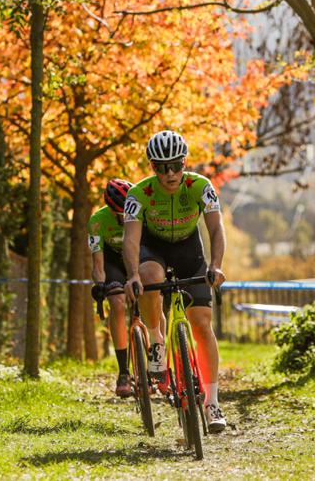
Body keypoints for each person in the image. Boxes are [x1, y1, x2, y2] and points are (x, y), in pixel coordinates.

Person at [123, 130, 228, 433]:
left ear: (184, 162)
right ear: (152, 167)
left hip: (188, 250)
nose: (169, 173)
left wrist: (217, 266)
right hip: (153, 248)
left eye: (175, 165)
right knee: (149, 276)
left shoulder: (200, 186)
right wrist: (131, 275)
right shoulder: (139, 194)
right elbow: (131, 240)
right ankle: (157, 338)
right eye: (160, 167)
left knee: (202, 324)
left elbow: (216, 229)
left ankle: (212, 403)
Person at [89, 178, 134, 398]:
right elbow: (98, 264)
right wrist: (100, 285)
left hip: (136, 257)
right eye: (120, 213)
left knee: (152, 299)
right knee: (117, 303)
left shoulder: (140, 211)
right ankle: (124, 371)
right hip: (113, 261)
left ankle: (157, 364)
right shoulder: (97, 221)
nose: (125, 218)